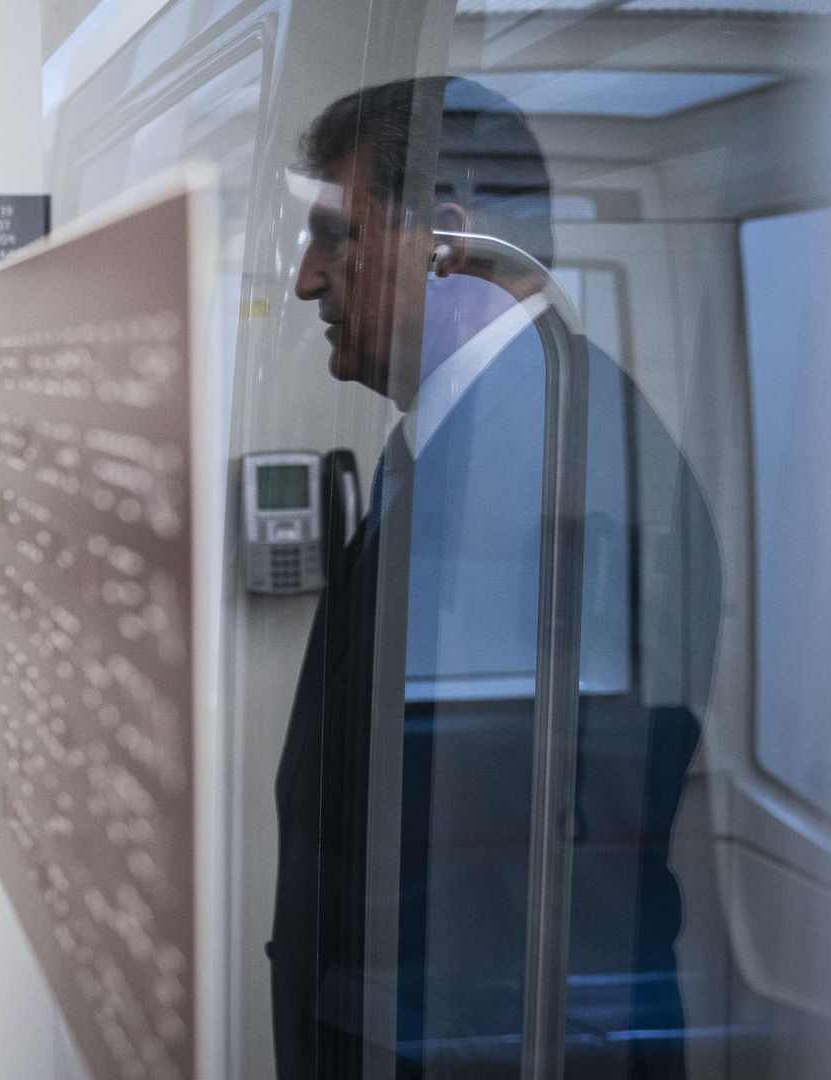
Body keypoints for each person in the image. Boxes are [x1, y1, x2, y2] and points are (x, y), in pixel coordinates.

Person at [269, 77, 719, 1079]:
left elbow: (527, 908)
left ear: (448, 241)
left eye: (334, 235)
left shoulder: (567, 466)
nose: (307, 280)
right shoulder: (442, 446)